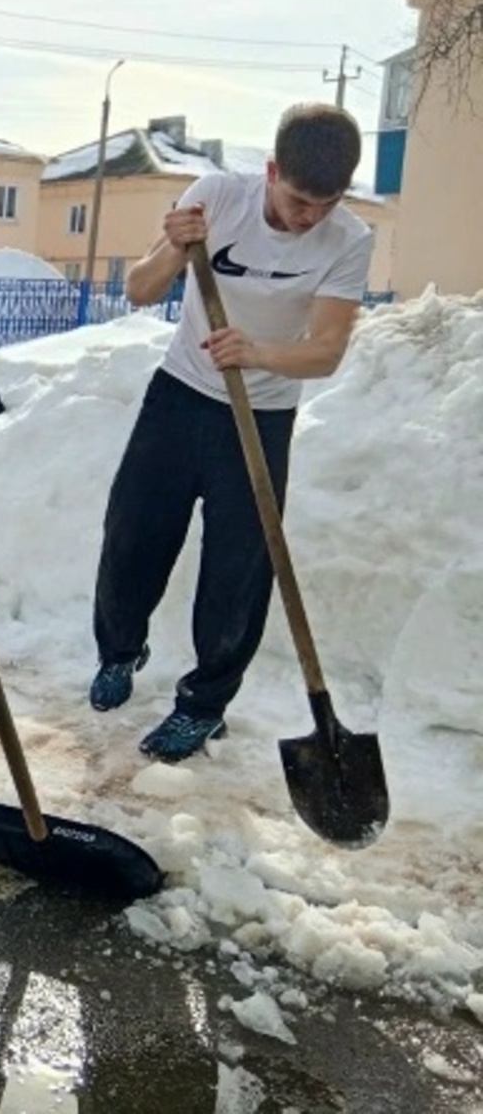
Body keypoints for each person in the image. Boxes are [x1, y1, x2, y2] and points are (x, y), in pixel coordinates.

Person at [88, 102, 374, 763]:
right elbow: (138, 287)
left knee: (239, 569)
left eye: (324, 204)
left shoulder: (349, 240)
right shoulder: (217, 196)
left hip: (264, 414)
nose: (309, 217)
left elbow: (326, 350)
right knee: (132, 537)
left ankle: (203, 706)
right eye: (300, 199)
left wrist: (259, 353)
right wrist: (180, 246)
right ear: (272, 170)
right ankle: (119, 654)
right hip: (180, 395)